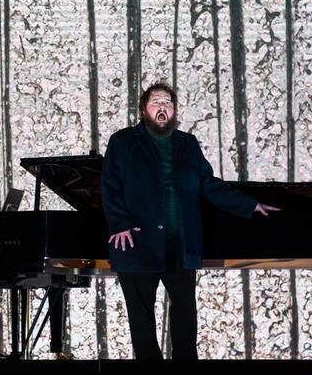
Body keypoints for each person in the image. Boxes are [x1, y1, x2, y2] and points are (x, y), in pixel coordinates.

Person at [101, 82, 279, 360]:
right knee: (141, 318)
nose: (163, 107)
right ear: (143, 110)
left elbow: (208, 184)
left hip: (179, 244)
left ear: (174, 111)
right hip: (138, 243)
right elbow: (110, 186)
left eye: (168, 103)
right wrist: (120, 222)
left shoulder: (187, 144)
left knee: (185, 315)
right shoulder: (122, 142)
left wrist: (249, 204)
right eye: (156, 102)